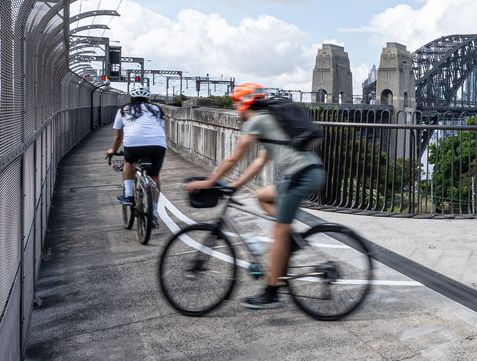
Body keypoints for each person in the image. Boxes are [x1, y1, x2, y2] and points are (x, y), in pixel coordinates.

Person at [185, 82, 325, 310]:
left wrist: (209, 182)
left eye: (237, 103)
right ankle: (287, 236)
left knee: (279, 230)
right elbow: (259, 161)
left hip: (303, 177)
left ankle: (272, 293)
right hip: (308, 173)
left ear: (244, 103)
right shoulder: (270, 121)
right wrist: (235, 185)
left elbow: (234, 158)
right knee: (262, 196)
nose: (236, 108)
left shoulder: (258, 120)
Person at [105, 86, 167, 225]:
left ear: (131, 98)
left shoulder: (123, 110)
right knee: (154, 177)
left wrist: (112, 150)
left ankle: (128, 195)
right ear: (148, 98)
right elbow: (160, 128)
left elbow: (118, 138)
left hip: (134, 144)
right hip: (158, 144)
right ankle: (154, 212)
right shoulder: (157, 109)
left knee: (129, 163)